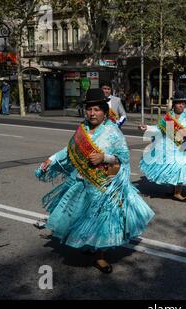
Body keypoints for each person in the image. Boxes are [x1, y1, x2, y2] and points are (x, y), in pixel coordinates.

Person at [35, 88, 155, 273]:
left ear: (104, 111)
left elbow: (121, 158)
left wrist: (104, 158)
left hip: (104, 184)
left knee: (101, 221)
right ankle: (88, 244)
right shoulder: (82, 129)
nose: (92, 113)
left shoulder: (113, 132)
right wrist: (50, 160)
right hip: (82, 182)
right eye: (89, 109)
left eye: (97, 109)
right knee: (83, 217)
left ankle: (100, 257)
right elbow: (69, 151)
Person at [138, 90, 186, 202]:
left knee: (180, 167)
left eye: (183, 103)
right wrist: (147, 128)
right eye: (179, 103)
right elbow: (160, 129)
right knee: (173, 169)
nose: (181, 105)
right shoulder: (169, 117)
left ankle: (177, 193)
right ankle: (174, 190)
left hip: (183, 146)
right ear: (174, 104)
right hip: (170, 148)